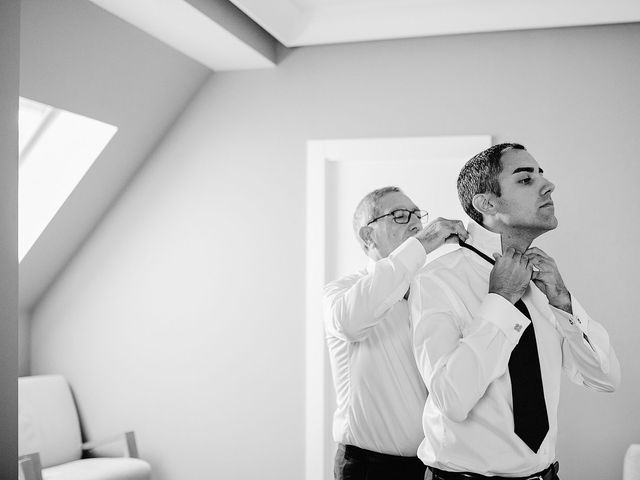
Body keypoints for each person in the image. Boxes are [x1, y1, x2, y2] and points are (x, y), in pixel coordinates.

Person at [409, 143, 621, 480]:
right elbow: (452, 398)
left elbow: (605, 378)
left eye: (542, 175)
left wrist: (563, 302)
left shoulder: (544, 282)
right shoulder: (437, 280)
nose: (548, 185)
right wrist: (501, 300)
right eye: (525, 180)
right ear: (487, 203)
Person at [323, 186, 469, 480]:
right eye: (400, 216)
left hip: (429, 466)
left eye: (418, 214)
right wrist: (421, 245)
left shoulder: (431, 295)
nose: (416, 223)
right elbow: (350, 323)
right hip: (366, 469)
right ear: (368, 236)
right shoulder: (342, 292)